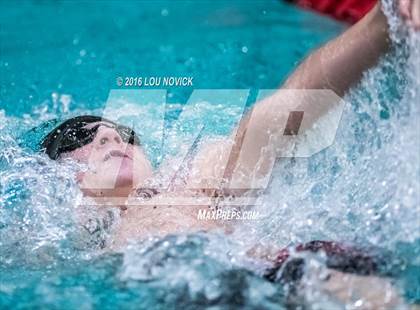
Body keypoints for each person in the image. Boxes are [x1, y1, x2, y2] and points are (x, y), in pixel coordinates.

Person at [40, 1, 419, 308]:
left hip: (275, 272)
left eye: (124, 135)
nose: (112, 139)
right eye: (82, 138)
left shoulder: (188, 178)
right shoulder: (51, 236)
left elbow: (269, 123)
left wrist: (381, 22)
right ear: (60, 174)